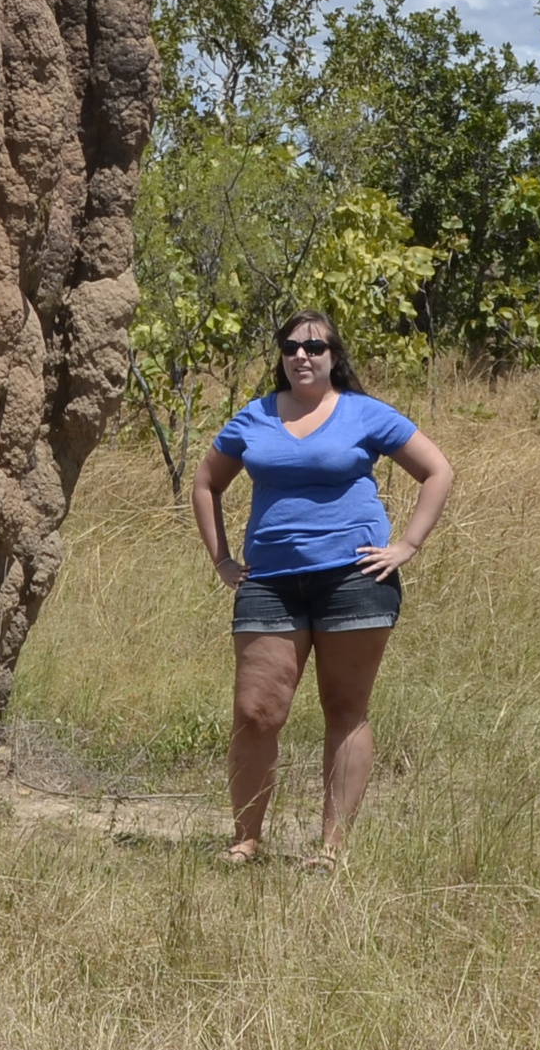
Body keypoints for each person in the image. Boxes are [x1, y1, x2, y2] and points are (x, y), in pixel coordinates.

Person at [190, 311, 456, 873]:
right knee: (256, 712)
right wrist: (221, 559)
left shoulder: (364, 413)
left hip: (355, 581)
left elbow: (437, 470)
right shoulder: (253, 418)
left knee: (345, 709)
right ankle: (245, 840)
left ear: (335, 355)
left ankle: (330, 849)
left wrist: (406, 545)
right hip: (270, 583)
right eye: (291, 346)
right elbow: (206, 481)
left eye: (314, 346)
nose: (301, 356)